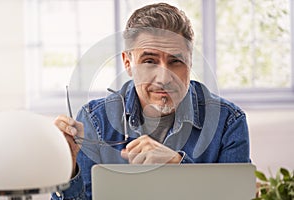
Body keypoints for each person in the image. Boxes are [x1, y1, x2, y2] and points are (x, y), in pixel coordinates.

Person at [52, 2, 250, 200]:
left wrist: (177, 167)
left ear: (190, 62)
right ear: (128, 64)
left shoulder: (228, 122)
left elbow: (237, 196)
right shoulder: (95, 120)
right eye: (149, 61)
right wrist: (68, 171)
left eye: (176, 61)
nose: (163, 78)